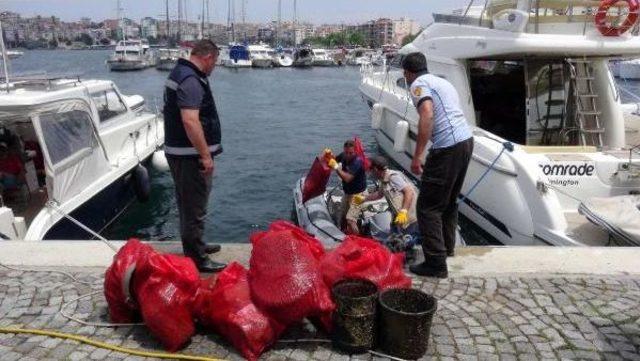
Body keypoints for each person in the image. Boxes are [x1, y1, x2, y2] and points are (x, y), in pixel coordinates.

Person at [402, 52, 474, 279]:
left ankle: (435, 263)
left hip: (447, 147)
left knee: (427, 206)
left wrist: (417, 155)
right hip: (466, 141)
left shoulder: (417, 85)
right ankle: (447, 249)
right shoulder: (442, 81)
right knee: (448, 201)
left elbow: (427, 115)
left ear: (407, 73)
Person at [163, 40, 225, 273]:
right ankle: (197, 258)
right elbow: (190, 120)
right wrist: (205, 156)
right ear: (208, 57)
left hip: (179, 153)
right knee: (194, 207)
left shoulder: (179, 73)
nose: (215, 67)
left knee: (188, 205)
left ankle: (195, 245)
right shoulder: (190, 80)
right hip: (190, 157)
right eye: (216, 61)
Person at [358, 156, 418, 235]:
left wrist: (404, 211)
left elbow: (409, 192)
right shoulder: (383, 180)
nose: (370, 173)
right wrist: (364, 199)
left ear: (375, 169)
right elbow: (379, 194)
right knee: (394, 235)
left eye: (371, 170)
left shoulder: (393, 177)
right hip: (397, 215)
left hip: (410, 218)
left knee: (407, 238)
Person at [327, 140, 367, 235]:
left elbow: (347, 178)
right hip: (348, 192)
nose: (348, 155)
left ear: (355, 151)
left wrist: (337, 168)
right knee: (343, 217)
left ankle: (358, 240)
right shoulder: (343, 155)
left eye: (351, 153)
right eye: (346, 152)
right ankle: (343, 234)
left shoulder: (357, 162)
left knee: (350, 220)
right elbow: (333, 161)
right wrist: (329, 157)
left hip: (358, 195)